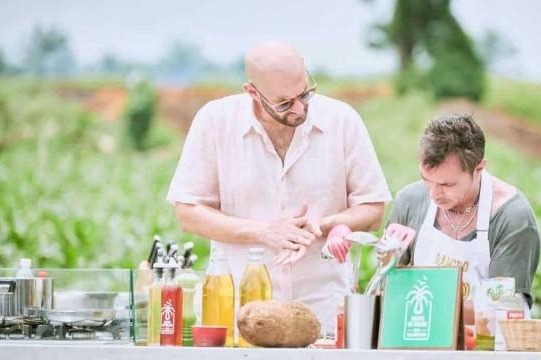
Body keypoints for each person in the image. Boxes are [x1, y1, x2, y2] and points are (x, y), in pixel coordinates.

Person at [165, 40, 391, 334]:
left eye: (305, 94)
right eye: (284, 103)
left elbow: (373, 209)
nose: (299, 108)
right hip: (236, 310)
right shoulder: (214, 121)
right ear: (252, 92)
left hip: (324, 308)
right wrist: (264, 232)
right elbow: (189, 213)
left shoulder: (343, 120)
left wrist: (320, 226)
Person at [386, 114, 540, 348]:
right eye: (427, 180)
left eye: (447, 185)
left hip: (487, 348)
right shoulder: (409, 201)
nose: (434, 194)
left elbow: (506, 306)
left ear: (479, 168)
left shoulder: (512, 216)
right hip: (419, 345)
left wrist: (432, 304)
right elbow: (390, 287)